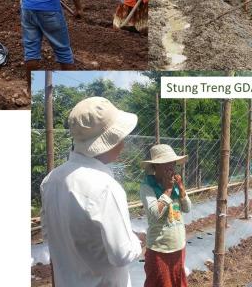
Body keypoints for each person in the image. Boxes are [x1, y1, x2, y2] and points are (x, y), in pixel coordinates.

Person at [41, 97, 142, 287]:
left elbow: (49, 236)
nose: (123, 144)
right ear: (109, 141)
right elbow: (123, 254)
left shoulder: (51, 180)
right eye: (120, 137)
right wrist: (135, 240)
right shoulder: (106, 187)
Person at [140, 144, 191, 287]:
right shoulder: (147, 187)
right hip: (159, 249)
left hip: (178, 246)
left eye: (172, 163)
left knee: (177, 282)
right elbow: (154, 213)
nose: (171, 167)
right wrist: (168, 190)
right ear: (155, 167)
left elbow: (187, 208)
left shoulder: (175, 185)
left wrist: (181, 189)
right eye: (166, 163)